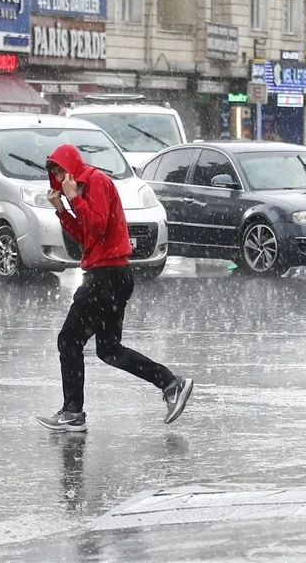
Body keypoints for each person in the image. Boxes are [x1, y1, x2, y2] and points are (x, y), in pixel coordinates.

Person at [35, 144, 194, 433]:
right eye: (54, 173)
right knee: (109, 350)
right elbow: (86, 236)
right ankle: (171, 384)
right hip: (111, 276)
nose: (58, 177)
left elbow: (96, 227)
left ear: (72, 166)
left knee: (69, 340)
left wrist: (74, 199)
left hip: (106, 276)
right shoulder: (81, 189)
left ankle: (73, 412)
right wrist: (62, 210)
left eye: (61, 169)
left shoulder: (96, 182)